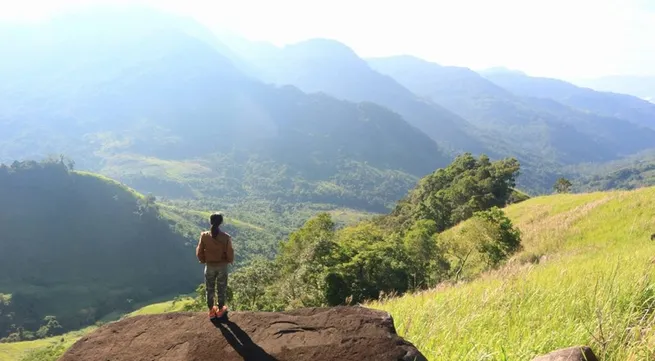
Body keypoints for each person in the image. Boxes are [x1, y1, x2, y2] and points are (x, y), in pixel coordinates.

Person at [196, 212, 234, 320]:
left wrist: (203, 260)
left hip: (209, 266)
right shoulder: (226, 237)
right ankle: (221, 309)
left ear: (210, 221)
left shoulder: (204, 236)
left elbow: (199, 251)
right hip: (222, 266)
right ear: (221, 222)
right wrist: (229, 261)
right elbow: (230, 252)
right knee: (221, 288)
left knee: (209, 288)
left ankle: (211, 311)